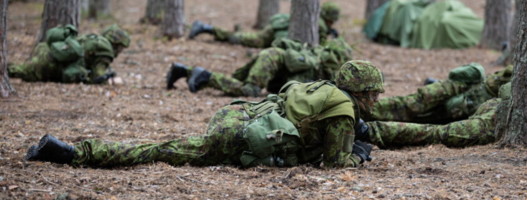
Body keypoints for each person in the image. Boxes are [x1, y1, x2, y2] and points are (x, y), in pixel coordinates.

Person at [24, 60, 384, 168]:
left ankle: (70, 150)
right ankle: (75, 154)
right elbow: (337, 163)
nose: (377, 98)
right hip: (241, 137)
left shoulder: (322, 89)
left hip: (236, 115)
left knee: (163, 146)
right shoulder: (342, 110)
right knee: (161, 150)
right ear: (363, 91)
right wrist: (357, 156)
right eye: (374, 92)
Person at [358, 49, 527, 154]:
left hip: (495, 107)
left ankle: (371, 126)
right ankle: (372, 131)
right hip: (497, 115)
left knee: (433, 122)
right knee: (442, 133)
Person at [166, 37, 352, 97]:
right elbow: (293, 89)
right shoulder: (317, 65)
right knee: (250, 90)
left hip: (269, 55)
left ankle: (184, 70)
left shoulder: (315, 55)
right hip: (270, 60)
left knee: (236, 82)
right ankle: (204, 76)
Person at [363, 63, 512, 124]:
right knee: (413, 105)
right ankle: (363, 112)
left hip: (463, 102)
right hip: (462, 92)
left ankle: (365, 115)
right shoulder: (517, 72)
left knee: (417, 114)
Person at [9, 24, 131, 84]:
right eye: (121, 48)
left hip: (45, 49)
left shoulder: (95, 39)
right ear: (116, 44)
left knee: (17, 68)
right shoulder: (106, 51)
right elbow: (98, 76)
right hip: (51, 65)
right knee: (13, 71)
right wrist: (111, 81)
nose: (120, 51)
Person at [188, 2, 341, 48]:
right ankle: (206, 28)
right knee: (243, 39)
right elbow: (318, 48)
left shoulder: (315, 20)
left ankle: (209, 29)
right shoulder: (320, 25)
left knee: (245, 37)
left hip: (275, 30)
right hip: (276, 35)